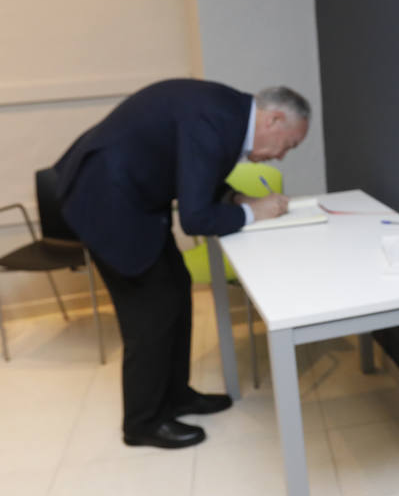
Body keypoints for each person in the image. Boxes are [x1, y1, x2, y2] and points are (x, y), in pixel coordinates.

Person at [53, 79, 310, 448]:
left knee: (176, 286)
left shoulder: (229, 116)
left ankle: (175, 396)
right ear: (273, 120)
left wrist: (236, 198)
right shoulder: (216, 121)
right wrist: (251, 214)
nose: (282, 155)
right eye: (289, 144)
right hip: (106, 200)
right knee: (151, 312)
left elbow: (199, 175)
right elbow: (196, 219)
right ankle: (142, 423)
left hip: (133, 195)